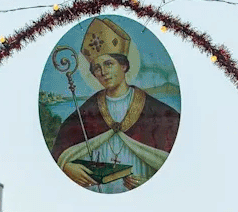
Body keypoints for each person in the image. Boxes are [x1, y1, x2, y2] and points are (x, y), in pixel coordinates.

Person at [50, 17, 180, 193]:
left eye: (108, 64)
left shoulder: (157, 111)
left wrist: (150, 183)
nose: (103, 72)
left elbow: (173, 162)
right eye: (96, 68)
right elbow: (62, 151)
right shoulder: (89, 111)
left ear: (124, 66)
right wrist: (67, 167)